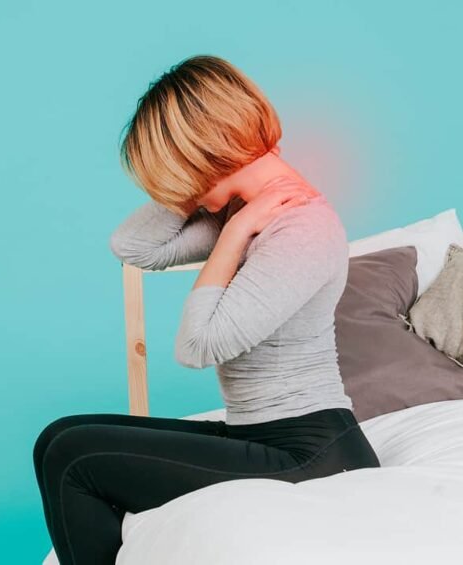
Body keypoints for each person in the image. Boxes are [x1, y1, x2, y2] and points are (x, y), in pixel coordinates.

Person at [33, 55, 381, 565]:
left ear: (203, 150)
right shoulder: (246, 212)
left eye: (174, 170)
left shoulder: (300, 228)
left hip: (311, 452)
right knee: (57, 438)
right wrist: (210, 197)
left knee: (74, 457)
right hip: (259, 434)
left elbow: (197, 347)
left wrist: (234, 232)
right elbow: (134, 247)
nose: (177, 189)